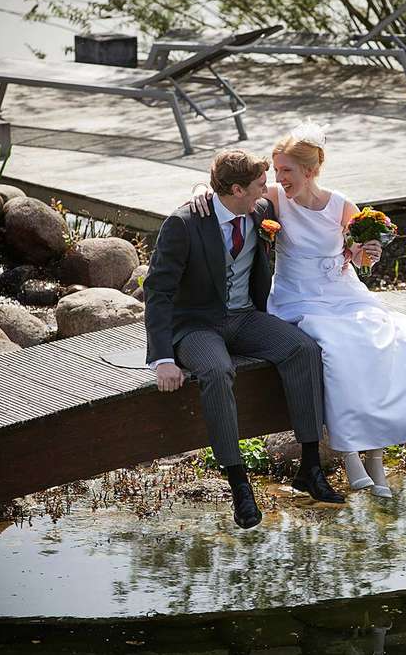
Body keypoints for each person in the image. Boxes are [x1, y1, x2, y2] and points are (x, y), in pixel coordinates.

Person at [191, 124, 406, 498]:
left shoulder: (340, 204)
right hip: (297, 297)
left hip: (343, 292)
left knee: (383, 341)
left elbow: (360, 259)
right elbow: (230, 192)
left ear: (310, 171)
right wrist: (202, 192)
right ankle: (350, 455)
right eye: (276, 169)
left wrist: (368, 253)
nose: (278, 177)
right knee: (336, 350)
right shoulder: (274, 198)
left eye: (286, 170)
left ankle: (376, 458)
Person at [143, 148, 344, 531]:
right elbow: (158, 292)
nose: (266, 191)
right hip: (197, 326)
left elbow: (305, 199)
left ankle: (310, 467)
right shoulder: (184, 224)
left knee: (303, 349)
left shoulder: (259, 213)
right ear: (236, 189)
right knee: (217, 372)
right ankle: (239, 485)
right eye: (257, 186)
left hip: (246, 318)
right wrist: (163, 358)